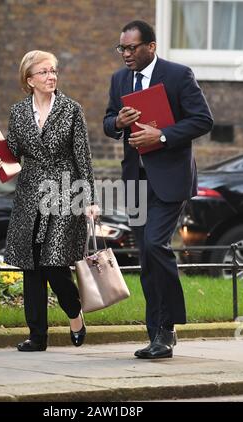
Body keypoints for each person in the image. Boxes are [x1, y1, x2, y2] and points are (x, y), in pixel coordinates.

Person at [103, 21, 213, 359]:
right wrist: (118, 122)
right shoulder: (119, 79)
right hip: (135, 179)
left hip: (170, 179)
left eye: (131, 48)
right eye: (121, 48)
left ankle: (168, 327)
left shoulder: (179, 75)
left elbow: (202, 120)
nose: (125, 54)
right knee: (146, 256)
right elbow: (108, 122)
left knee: (155, 244)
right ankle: (158, 334)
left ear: (151, 46)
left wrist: (161, 136)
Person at [0, 50, 99, 352]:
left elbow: (83, 159)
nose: (52, 77)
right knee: (31, 264)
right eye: (45, 72)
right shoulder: (18, 112)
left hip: (64, 192)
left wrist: (90, 199)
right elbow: (10, 156)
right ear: (29, 78)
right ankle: (37, 336)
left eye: (54, 71)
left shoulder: (72, 109)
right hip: (29, 194)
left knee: (53, 261)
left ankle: (74, 313)